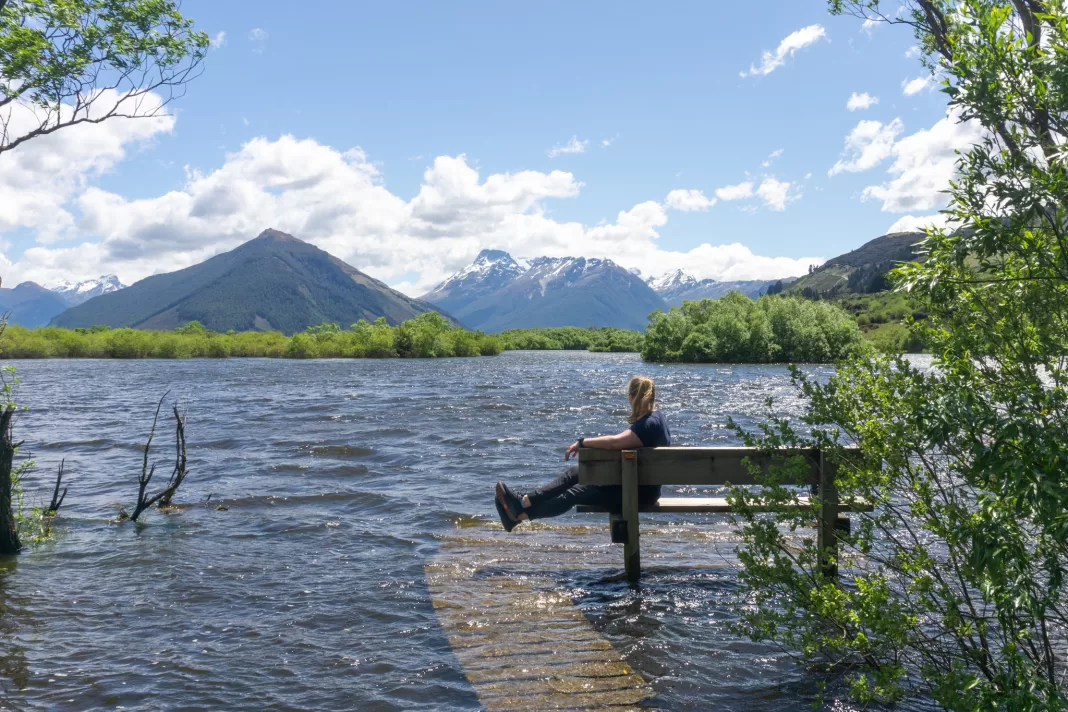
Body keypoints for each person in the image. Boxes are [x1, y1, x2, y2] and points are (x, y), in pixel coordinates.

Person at [494, 376, 670, 531]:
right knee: (575, 473)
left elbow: (616, 442)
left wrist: (583, 442)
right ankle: (524, 501)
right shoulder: (658, 419)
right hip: (642, 489)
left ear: (632, 397)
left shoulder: (646, 425)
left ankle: (518, 516)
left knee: (574, 493)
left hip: (636, 495)